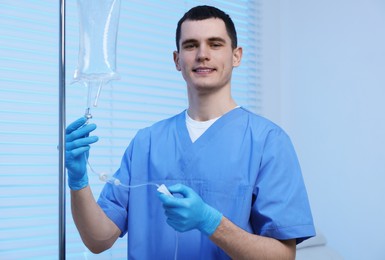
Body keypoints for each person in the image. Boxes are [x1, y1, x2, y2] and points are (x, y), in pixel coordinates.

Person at [66, 5, 316, 260]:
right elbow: (98, 239)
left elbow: (283, 256)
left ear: (236, 56)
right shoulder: (146, 142)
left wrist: (211, 222)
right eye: (190, 45)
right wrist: (78, 181)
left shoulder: (267, 142)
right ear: (177, 60)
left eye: (215, 44)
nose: (202, 54)